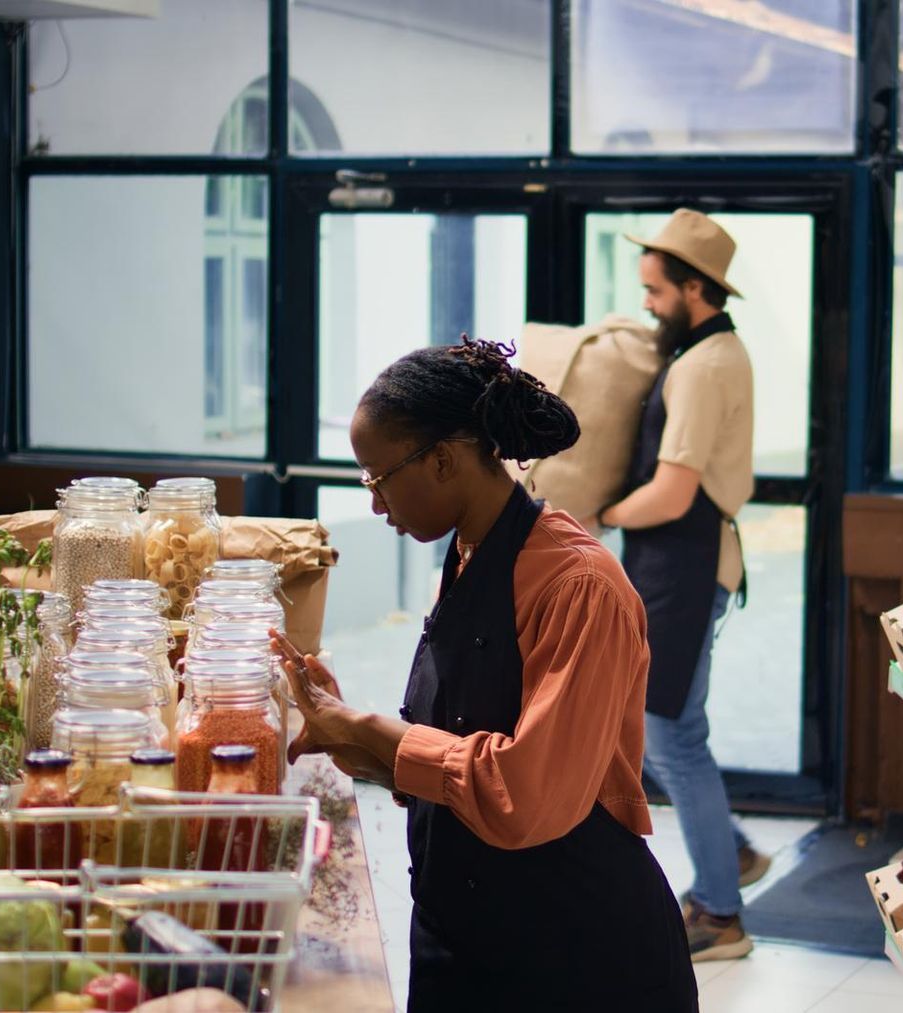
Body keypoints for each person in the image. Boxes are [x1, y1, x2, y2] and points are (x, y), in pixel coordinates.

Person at [272, 337, 697, 1010]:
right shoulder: (467, 555)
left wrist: (371, 730)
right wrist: (346, 734)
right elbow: (449, 766)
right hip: (467, 938)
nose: (376, 504)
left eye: (378, 478)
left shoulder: (577, 584)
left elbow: (523, 793)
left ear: (442, 459)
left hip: (577, 958)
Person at [595, 209, 768, 962]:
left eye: (656, 291)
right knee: (653, 723)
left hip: (686, 562)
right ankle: (731, 851)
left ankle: (721, 911)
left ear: (695, 287)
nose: (647, 304)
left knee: (669, 731)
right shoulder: (713, 349)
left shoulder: (703, 366)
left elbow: (670, 493)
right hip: (675, 563)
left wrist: (597, 511)